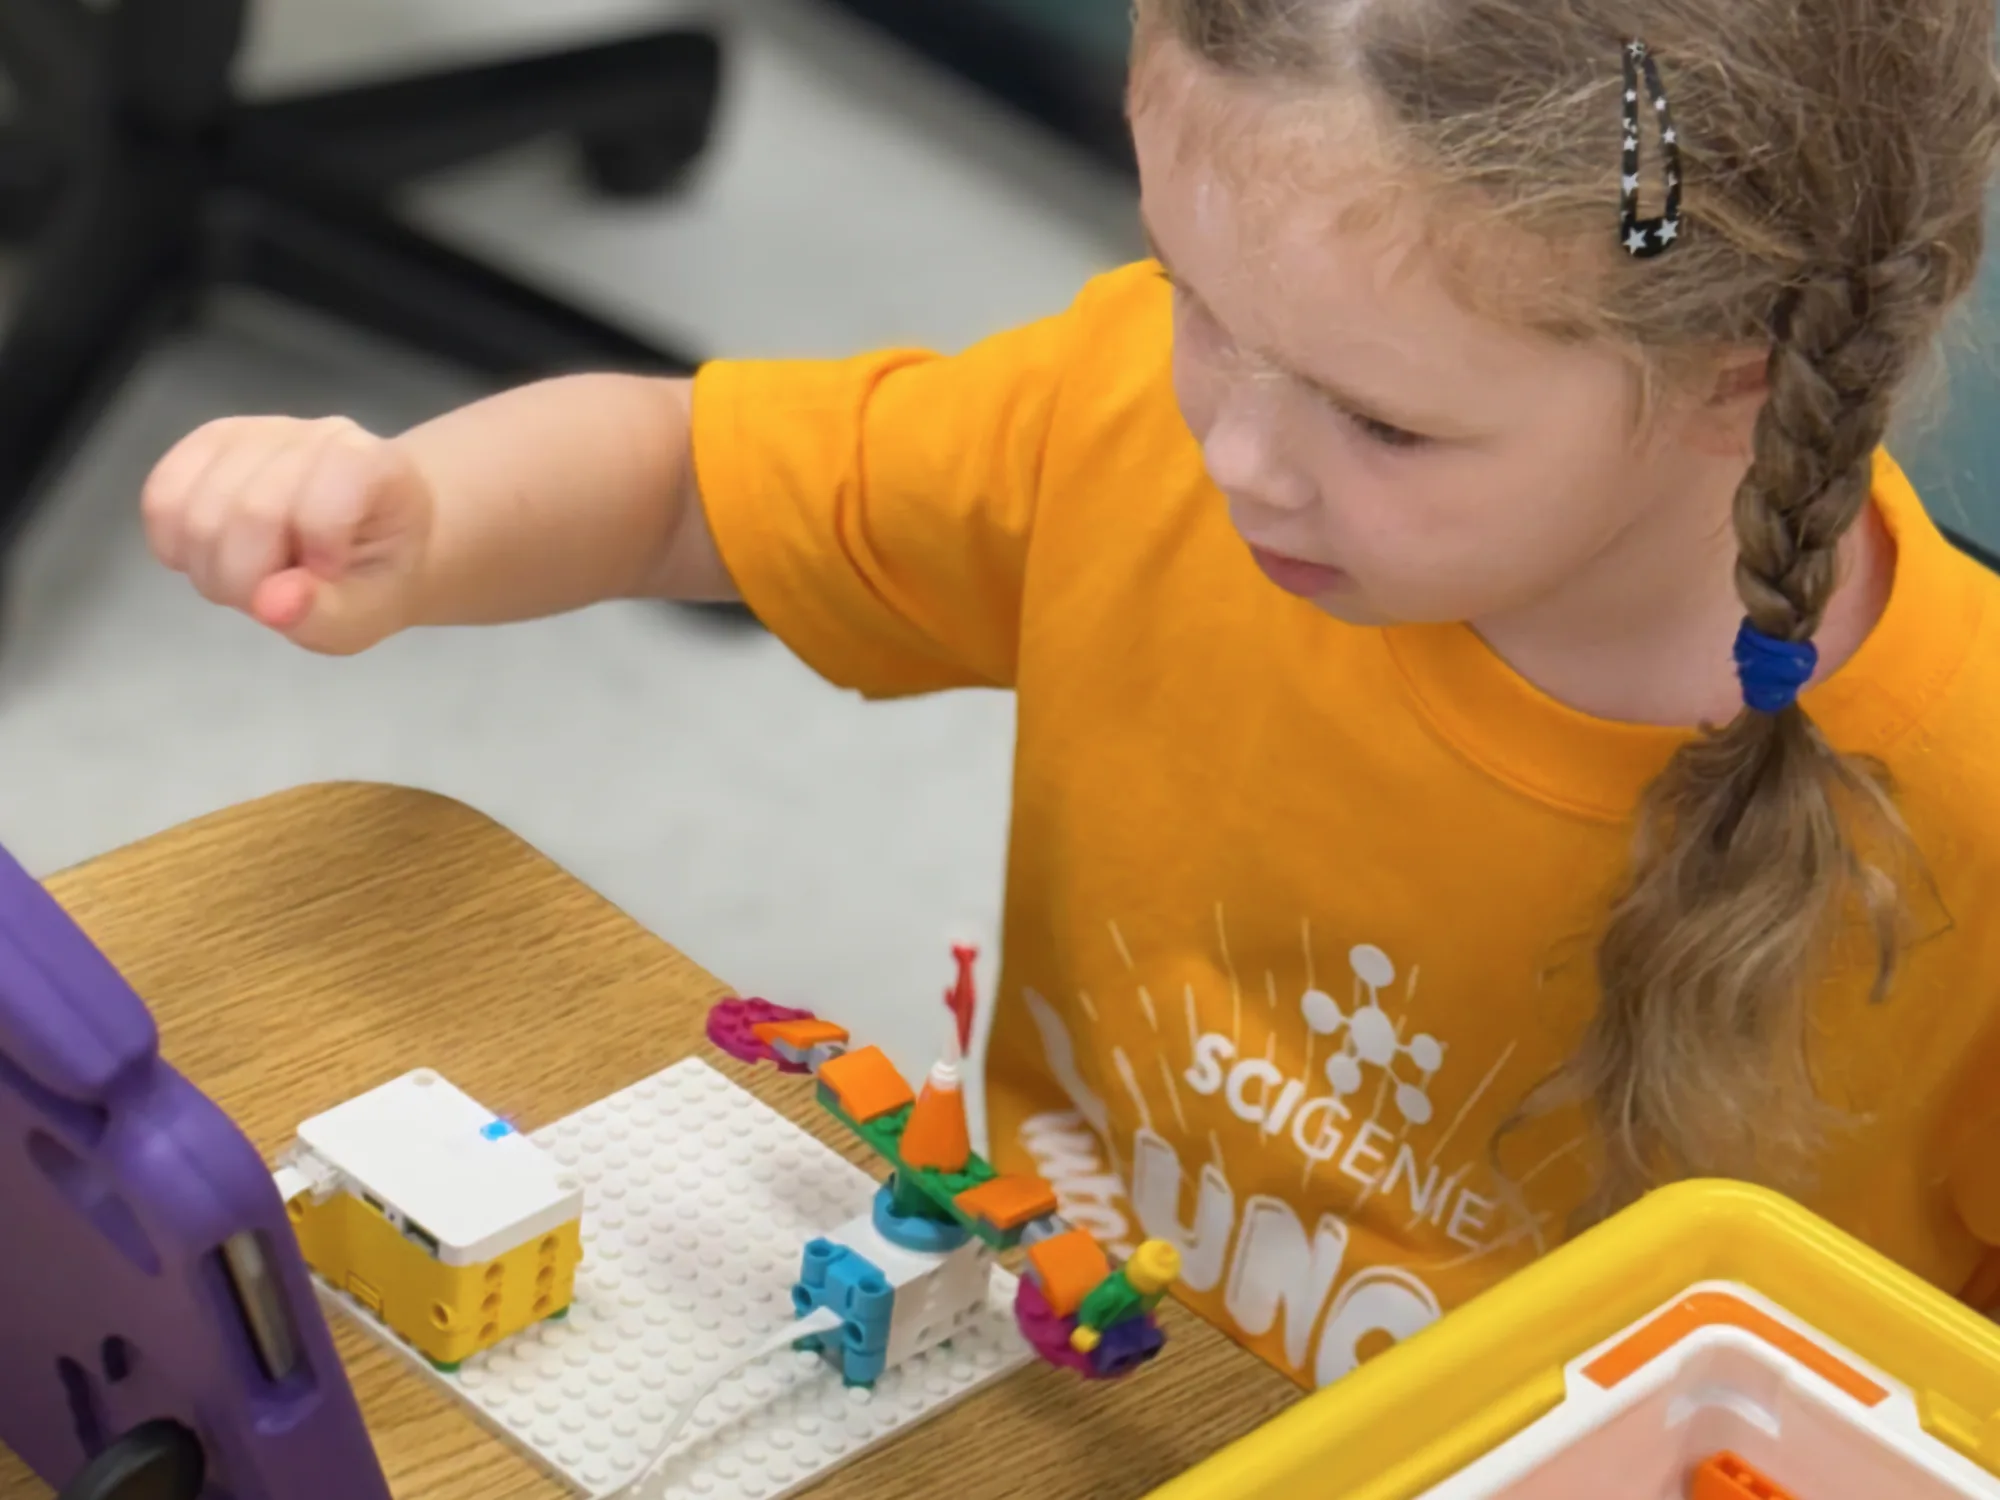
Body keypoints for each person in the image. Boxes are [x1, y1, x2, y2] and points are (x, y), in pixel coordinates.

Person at [142, 0, 2000, 1389]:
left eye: (1381, 420)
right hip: (1042, 1380)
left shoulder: (1965, 808)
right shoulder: (1130, 425)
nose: (1241, 456)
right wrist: (422, 511)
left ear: (1739, 384)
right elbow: (688, 484)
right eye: (1195, 293)